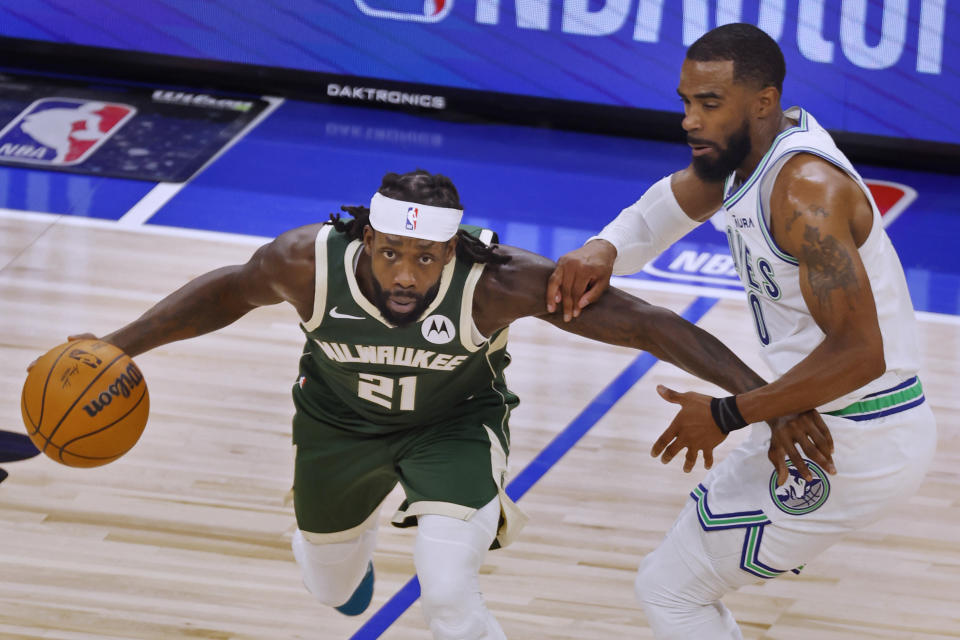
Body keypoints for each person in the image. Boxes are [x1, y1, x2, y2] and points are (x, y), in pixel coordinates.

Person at [49, 168, 829, 639]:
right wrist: (119, 343)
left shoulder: (497, 283)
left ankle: (448, 526)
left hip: (454, 431)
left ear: (452, 251)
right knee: (331, 590)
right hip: (337, 430)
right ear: (365, 241)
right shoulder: (302, 262)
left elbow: (648, 324)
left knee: (449, 592)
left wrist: (765, 401)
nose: (406, 275)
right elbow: (221, 294)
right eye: (392, 253)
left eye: (426, 258)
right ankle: (335, 556)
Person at [547, 23, 937, 639]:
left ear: (763, 101)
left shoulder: (806, 194)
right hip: (809, 414)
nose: (689, 121)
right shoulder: (746, 155)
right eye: (685, 102)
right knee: (675, 587)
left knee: (671, 591)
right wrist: (605, 246)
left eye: (709, 104)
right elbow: (673, 202)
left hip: (855, 436)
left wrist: (729, 413)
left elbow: (862, 353)